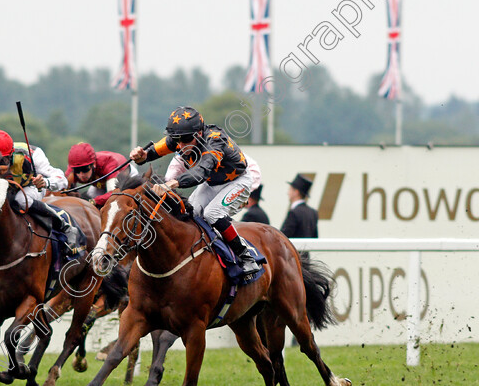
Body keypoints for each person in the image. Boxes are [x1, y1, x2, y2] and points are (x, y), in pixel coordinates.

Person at [129, 106, 263, 281]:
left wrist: (172, 183)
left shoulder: (215, 141)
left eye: (185, 139)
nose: (181, 145)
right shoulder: (180, 139)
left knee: (212, 214)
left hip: (238, 181)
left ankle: (246, 256)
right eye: (177, 140)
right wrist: (141, 156)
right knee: (192, 213)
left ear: (199, 133)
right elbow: (152, 152)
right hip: (213, 183)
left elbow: (201, 171)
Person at [0, 130, 82, 255]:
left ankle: (64, 225)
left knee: (19, 200)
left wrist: (45, 182)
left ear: (9, 156)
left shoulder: (33, 155)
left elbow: (61, 179)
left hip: (29, 187)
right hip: (2, 188)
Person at [65, 142, 137, 208]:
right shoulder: (71, 171)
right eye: (77, 170)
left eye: (85, 169)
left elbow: (114, 194)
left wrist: (94, 201)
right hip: (100, 184)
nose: (81, 175)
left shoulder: (109, 163)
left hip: (125, 179)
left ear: (94, 164)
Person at [281, 174, 319, 239]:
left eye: (290, 189)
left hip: (296, 248)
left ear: (296, 192)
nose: (288, 193)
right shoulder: (313, 212)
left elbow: (283, 236)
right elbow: (315, 237)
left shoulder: (294, 212)